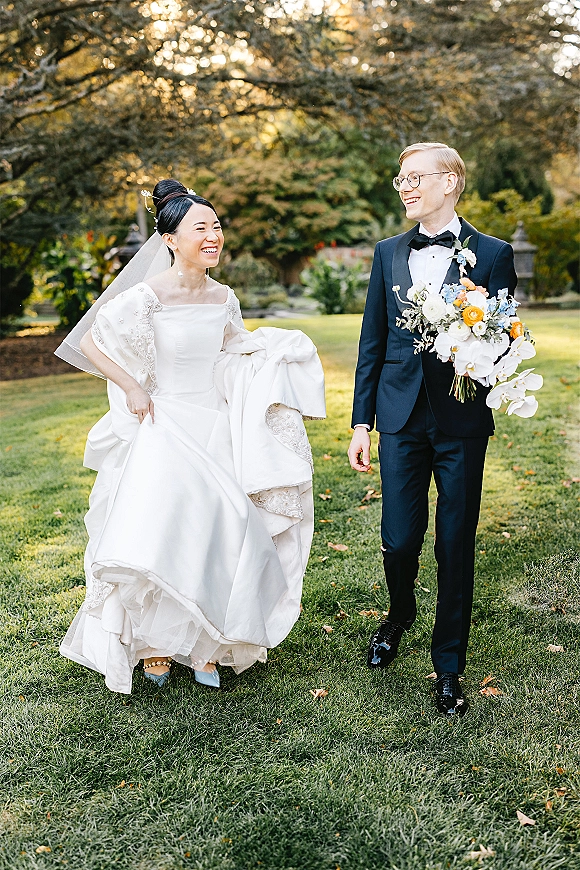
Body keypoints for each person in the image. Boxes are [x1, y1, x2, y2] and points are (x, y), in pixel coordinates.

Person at [55, 179, 325, 694]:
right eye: (200, 227)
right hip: (165, 421)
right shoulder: (149, 294)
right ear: (171, 240)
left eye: (217, 226)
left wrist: (268, 357)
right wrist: (132, 384)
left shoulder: (224, 297)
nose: (213, 235)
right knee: (164, 527)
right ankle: (154, 644)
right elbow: (89, 340)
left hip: (215, 421)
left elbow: (231, 351)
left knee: (224, 527)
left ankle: (207, 641)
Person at [348, 143, 517, 717]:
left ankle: (449, 666)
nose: (405, 187)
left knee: (454, 543)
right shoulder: (387, 253)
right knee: (398, 539)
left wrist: (476, 348)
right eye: (400, 179)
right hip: (398, 417)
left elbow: (505, 335)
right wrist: (360, 422)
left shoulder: (492, 253)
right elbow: (372, 342)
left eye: (415, 178)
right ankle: (398, 615)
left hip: (461, 420)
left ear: (450, 182)